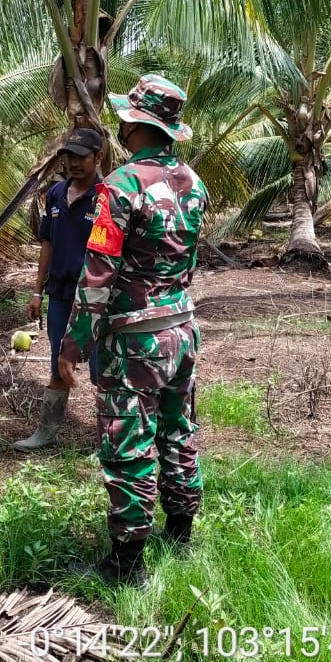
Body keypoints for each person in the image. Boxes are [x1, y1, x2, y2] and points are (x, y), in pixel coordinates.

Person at [58, 74, 208, 587]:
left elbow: (97, 274)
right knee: (178, 431)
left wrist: (73, 341)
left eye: (125, 118)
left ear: (135, 124)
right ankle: (182, 533)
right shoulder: (194, 182)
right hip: (182, 329)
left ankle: (126, 564)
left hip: (135, 339)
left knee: (129, 443)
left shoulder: (122, 185)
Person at [14, 127, 104, 451]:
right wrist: (37, 291)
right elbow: (47, 243)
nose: (74, 163)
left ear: (98, 157)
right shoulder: (54, 195)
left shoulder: (107, 197)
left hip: (95, 295)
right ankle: (46, 431)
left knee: (101, 369)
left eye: (82, 157)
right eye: (69, 156)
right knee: (57, 361)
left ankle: (106, 441)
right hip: (61, 291)